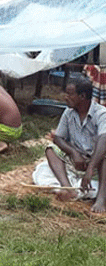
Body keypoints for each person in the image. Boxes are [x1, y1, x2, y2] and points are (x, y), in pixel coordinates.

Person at [45, 78, 106, 212]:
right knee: (51, 150)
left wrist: (90, 169)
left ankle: (101, 198)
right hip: (77, 160)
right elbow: (58, 138)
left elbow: (104, 140)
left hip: (96, 161)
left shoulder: (101, 114)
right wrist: (74, 153)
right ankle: (67, 188)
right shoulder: (68, 113)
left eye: (70, 94)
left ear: (82, 96)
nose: (66, 97)